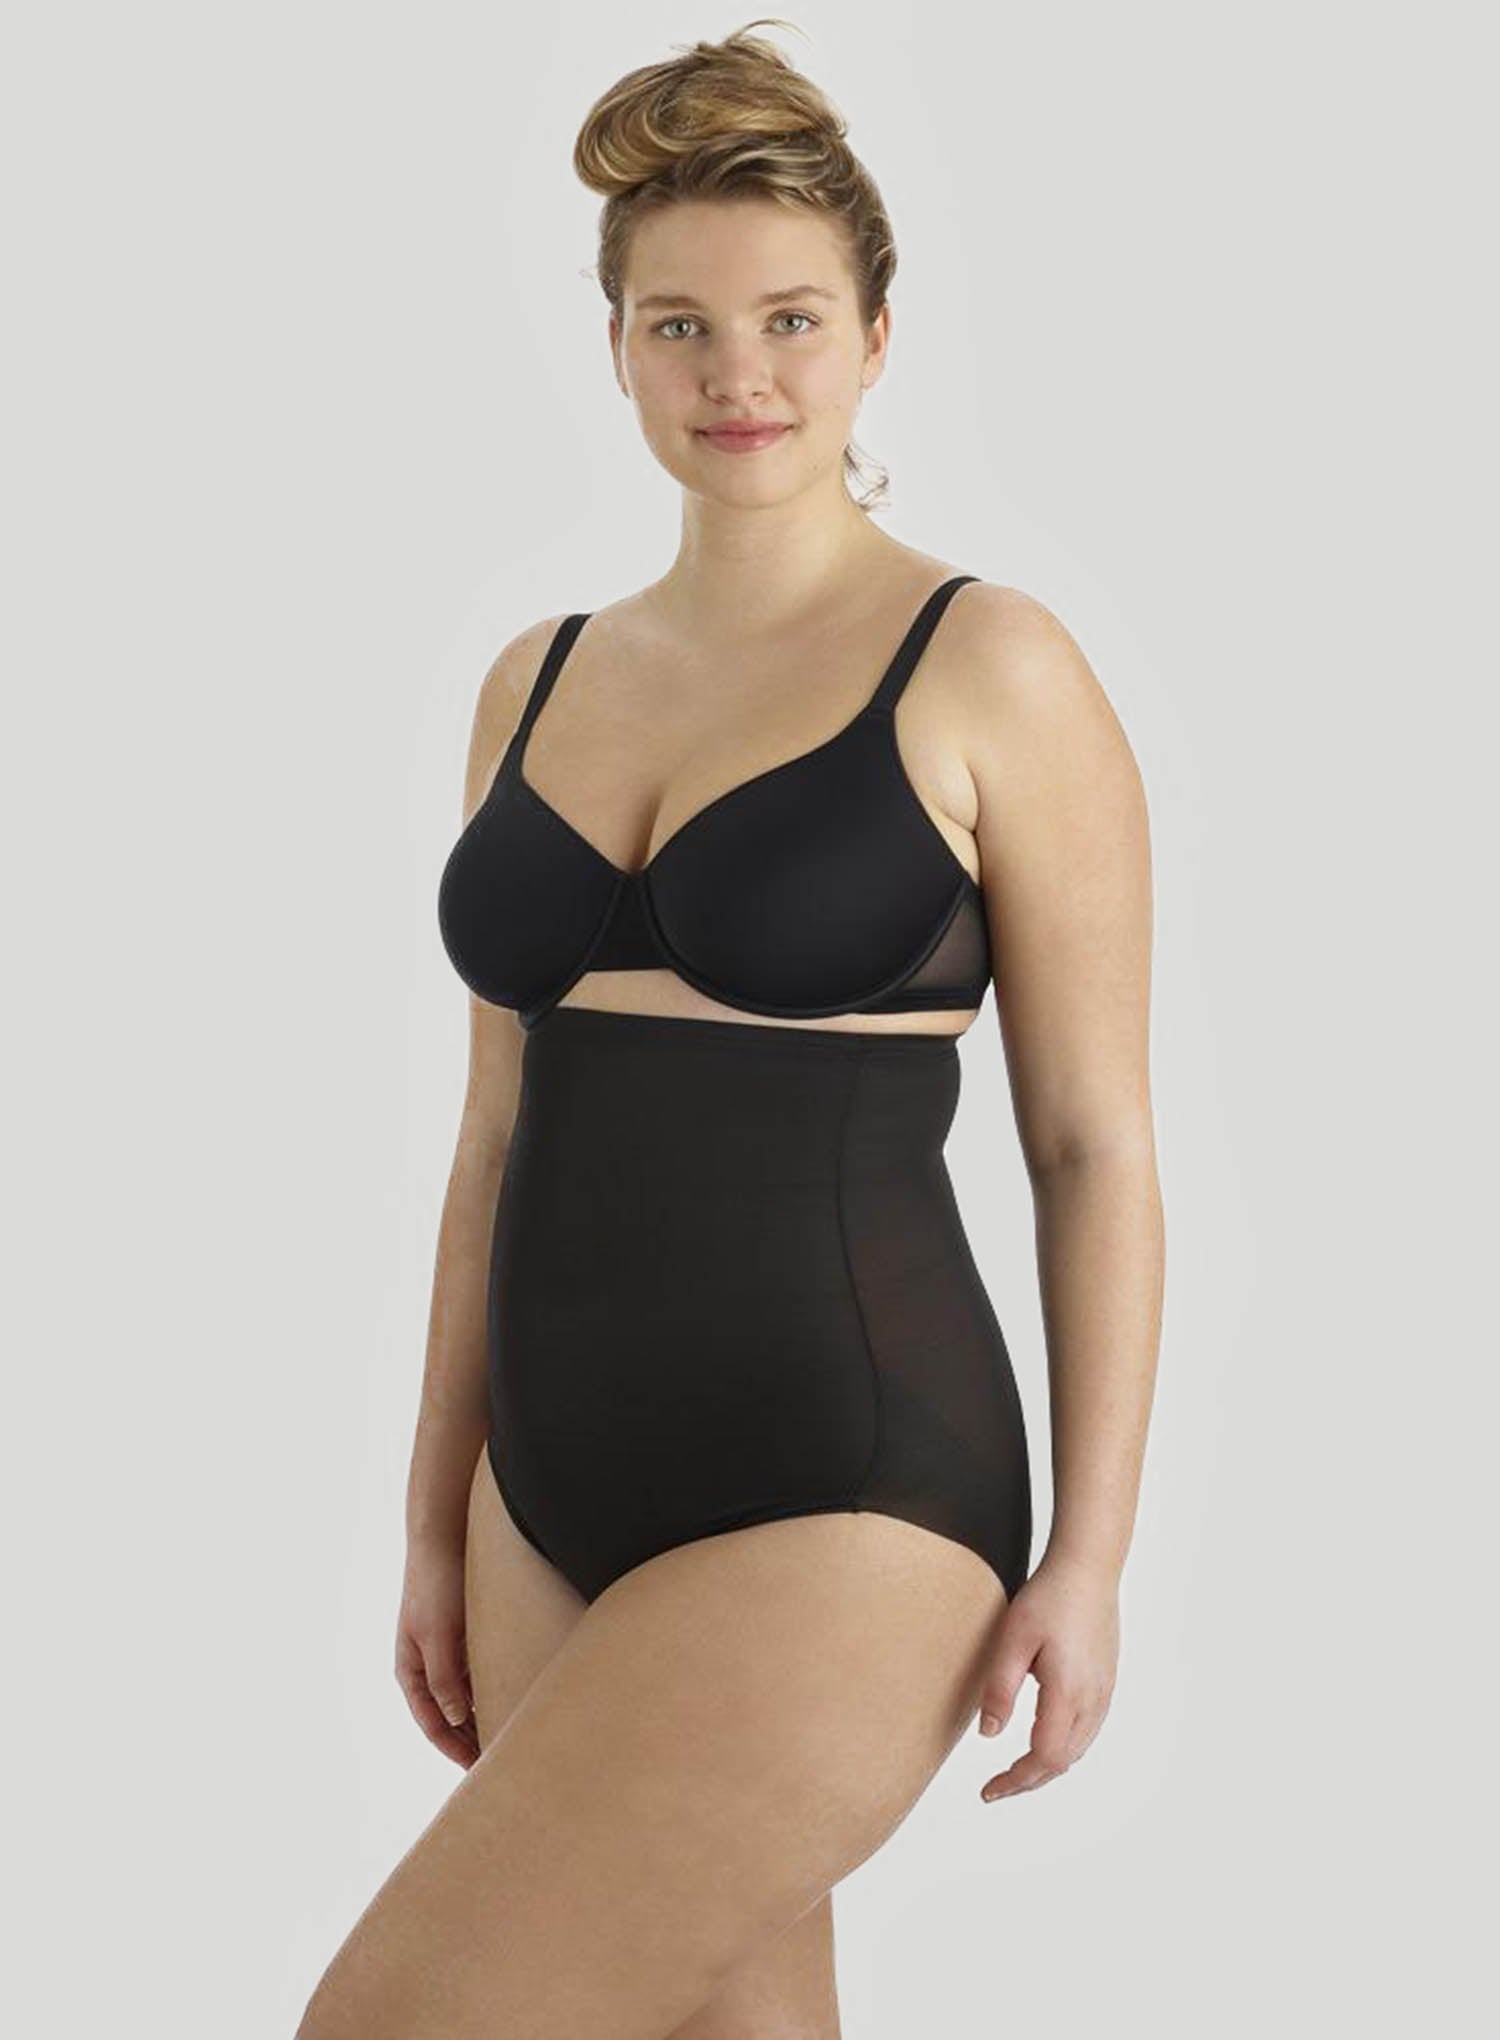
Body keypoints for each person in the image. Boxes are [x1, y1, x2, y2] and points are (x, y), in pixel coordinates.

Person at [298, 20, 1164, 2039]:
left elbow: (1092, 1147)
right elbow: (494, 1133)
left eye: (789, 320)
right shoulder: (534, 678)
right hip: (544, 1490)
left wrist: (1094, 1556)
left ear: (875, 339)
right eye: (678, 325)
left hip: (850, 1481)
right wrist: (433, 1516)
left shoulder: (992, 664)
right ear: (616, 349)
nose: (736, 375)